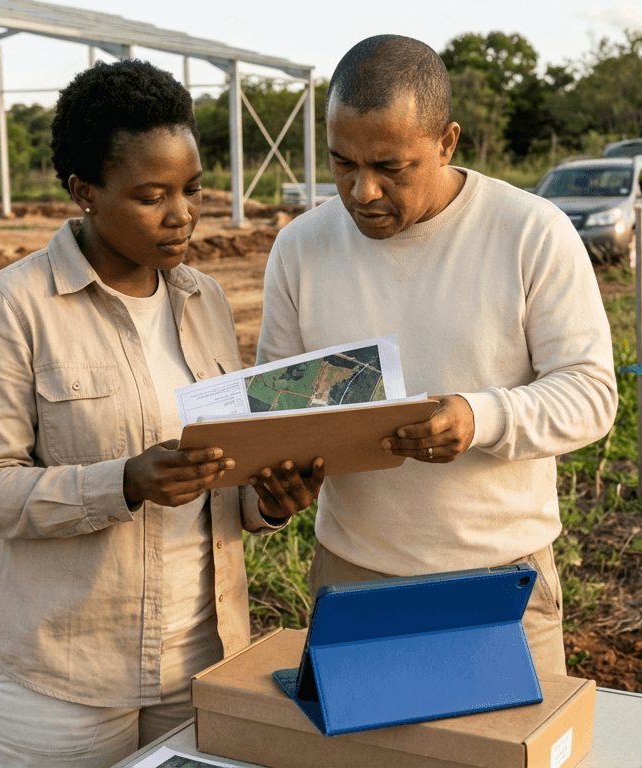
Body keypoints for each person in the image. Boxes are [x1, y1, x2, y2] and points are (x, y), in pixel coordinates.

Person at [0, 60, 321, 768]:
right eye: (152, 196)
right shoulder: (11, 309)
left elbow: (221, 473)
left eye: (192, 190)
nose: (181, 214)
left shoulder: (203, 299)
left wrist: (266, 502)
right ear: (85, 192)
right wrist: (123, 482)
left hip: (200, 660)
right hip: (63, 678)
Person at [256, 35, 618, 676]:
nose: (362, 191)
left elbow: (591, 394)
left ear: (447, 143)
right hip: (353, 574)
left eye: (390, 168)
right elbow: (280, 405)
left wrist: (481, 418)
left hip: (500, 578)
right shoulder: (301, 248)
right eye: (342, 163)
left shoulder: (529, 232)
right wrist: (277, 475)